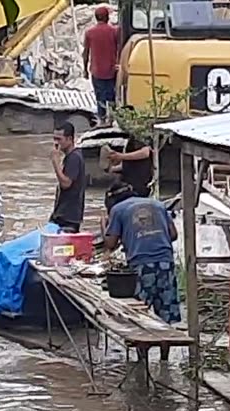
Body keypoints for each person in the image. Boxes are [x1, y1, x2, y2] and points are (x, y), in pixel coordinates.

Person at [103, 181, 181, 354]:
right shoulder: (158, 204)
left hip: (140, 265)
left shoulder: (118, 210)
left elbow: (110, 243)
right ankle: (164, 357)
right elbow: (173, 235)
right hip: (166, 263)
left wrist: (105, 225)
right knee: (165, 315)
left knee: (140, 314)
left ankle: (142, 359)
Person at [83, 5, 120, 126]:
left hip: (96, 70)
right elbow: (119, 48)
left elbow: (86, 52)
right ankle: (113, 119)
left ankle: (102, 120)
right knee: (112, 95)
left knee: (100, 96)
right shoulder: (114, 31)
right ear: (107, 17)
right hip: (111, 70)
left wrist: (84, 69)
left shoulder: (89, 33)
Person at [50, 121, 86, 232]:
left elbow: (66, 184)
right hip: (64, 214)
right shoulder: (71, 157)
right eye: (54, 139)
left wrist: (55, 163)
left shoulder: (74, 158)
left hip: (68, 217)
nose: (56, 143)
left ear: (69, 139)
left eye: (59, 139)